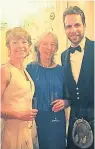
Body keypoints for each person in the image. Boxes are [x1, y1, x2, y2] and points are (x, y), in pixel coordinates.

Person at [26, 32, 69, 149]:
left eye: (53, 44)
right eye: (45, 44)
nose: (49, 48)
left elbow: (69, 97)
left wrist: (65, 102)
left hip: (57, 120)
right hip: (37, 120)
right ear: (38, 47)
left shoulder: (62, 70)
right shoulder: (29, 69)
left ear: (56, 48)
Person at [61, 6, 94, 149]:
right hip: (74, 119)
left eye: (77, 25)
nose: (73, 30)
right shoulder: (64, 55)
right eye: (68, 26)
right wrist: (66, 100)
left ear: (84, 26)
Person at [1, 27, 38, 149]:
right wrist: (19, 115)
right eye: (15, 42)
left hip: (26, 132)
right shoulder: (5, 70)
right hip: (11, 133)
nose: (20, 46)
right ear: (9, 47)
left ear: (29, 46)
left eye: (24, 42)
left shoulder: (24, 71)